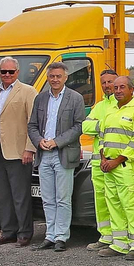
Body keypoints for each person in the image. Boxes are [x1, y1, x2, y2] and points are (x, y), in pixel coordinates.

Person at [0, 58, 38, 246]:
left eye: (10, 72)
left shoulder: (28, 92)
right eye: (3, 72)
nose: (7, 75)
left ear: (17, 72)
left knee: (20, 196)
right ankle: (8, 230)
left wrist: (30, 148)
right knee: (2, 195)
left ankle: (24, 232)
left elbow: (33, 123)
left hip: (18, 151)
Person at [27, 61, 85, 251]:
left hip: (63, 153)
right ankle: (50, 235)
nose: (55, 80)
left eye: (58, 76)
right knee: (48, 198)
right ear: (48, 77)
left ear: (65, 77)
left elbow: (78, 126)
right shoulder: (41, 99)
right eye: (52, 76)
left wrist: (56, 141)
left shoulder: (75, 98)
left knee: (63, 198)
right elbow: (32, 125)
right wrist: (39, 141)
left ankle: (61, 236)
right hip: (44, 154)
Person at [96, 74, 134, 258]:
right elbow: (102, 136)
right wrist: (103, 158)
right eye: (115, 88)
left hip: (126, 167)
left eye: (122, 87)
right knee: (113, 204)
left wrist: (117, 161)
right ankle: (119, 243)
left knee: (131, 205)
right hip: (108, 165)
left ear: (131, 89)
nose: (117, 91)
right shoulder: (109, 110)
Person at [82, 69, 119, 250]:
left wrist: (100, 124)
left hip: (116, 162)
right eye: (103, 82)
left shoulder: (121, 103)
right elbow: (85, 126)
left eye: (110, 82)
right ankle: (105, 236)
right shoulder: (99, 106)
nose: (107, 86)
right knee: (101, 202)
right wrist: (104, 124)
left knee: (117, 202)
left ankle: (120, 238)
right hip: (98, 162)